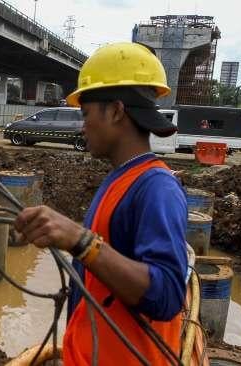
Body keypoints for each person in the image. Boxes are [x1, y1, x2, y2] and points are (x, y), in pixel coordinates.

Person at [13, 42, 187, 365]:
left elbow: (166, 295)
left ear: (117, 111)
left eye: (86, 113)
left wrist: (79, 240)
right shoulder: (120, 178)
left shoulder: (157, 188)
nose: (82, 125)